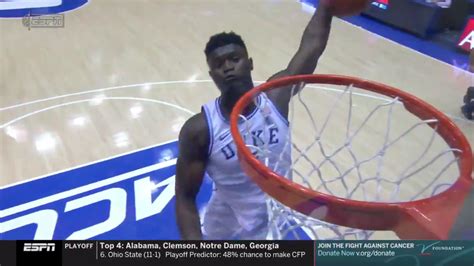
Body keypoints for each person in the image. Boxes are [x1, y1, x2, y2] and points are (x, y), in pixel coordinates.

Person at [175, 3, 334, 240]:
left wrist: (327, 6)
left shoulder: (275, 98)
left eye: (234, 59)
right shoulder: (200, 130)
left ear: (250, 64)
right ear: (212, 75)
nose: (228, 67)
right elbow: (185, 197)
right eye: (219, 65)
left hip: (269, 218)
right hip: (226, 212)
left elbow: (311, 48)